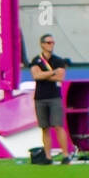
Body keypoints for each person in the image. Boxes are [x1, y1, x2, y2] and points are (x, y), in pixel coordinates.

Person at [29, 33, 72, 162]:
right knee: (44, 127)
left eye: (52, 42)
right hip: (40, 97)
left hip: (54, 96)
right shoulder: (36, 60)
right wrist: (52, 72)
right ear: (42, 44)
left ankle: (65, 155)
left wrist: (44, 74)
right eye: (48, 42)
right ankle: (48, 156)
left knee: (58, 125)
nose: (51, 45)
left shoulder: (58, 60)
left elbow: (60, 77)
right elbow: (36, 76)